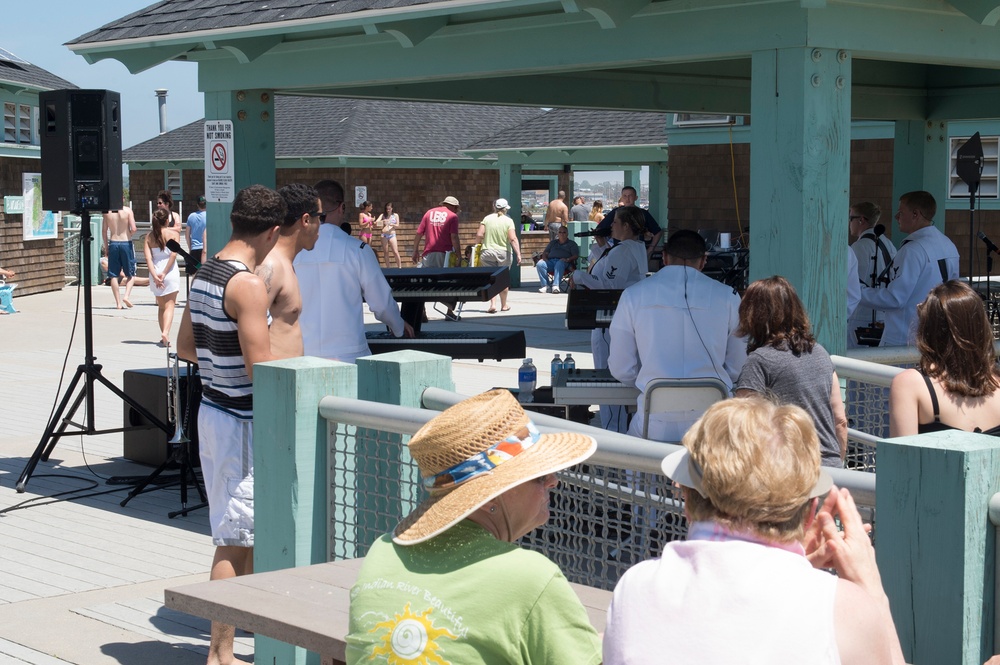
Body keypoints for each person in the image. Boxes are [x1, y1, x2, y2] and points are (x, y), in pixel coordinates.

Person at [604, 397, 906, 665]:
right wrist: (872, 590)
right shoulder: (846, 612)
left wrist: (796, 567)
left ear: (687, 499)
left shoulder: (634, 589)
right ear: (811, 510)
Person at [346, 389, 602, 665]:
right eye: (538, 475)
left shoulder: (382, 554)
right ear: (489, 496)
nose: (553, 481)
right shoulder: (531, 578)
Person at [176, 184, 286, 665]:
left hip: (214, 412)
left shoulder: (206, 272)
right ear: (272, 231)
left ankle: (247, 643)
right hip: (242, 423)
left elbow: (183, 347)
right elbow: (260, 369)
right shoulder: (247, 284)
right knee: (234, 542)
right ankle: (220, 654)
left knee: (244, 535)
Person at [609, 229, 745, 441]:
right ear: (703, 261)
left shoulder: (633, 295)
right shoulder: (728, 296)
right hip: (712, 419)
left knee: (634, 464)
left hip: (654, 421)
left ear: (664, 257)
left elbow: (621, 368)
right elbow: (737, 366)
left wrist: (652, 381)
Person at [734, 276, 848, 467]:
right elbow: (840, 421)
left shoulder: (758, 361)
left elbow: (745, 428)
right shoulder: (820, 352)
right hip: (829, 468)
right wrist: (838, 462)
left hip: (787, 472)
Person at [294, 179, 413, 363]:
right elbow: (381, 304)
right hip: (349, 355)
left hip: (302, 353)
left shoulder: (295, 252)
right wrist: (398, 327)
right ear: (341, 207)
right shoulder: (358, 250)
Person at [571, 206, 648, 432]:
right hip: (625, 317)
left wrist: (578, 275)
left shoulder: (623, 251)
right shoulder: (631, 248)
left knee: (609, 378)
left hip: (610, 320)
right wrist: (601, 247)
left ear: (626, 226)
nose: (610, 225)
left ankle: (613, 432)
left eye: (615, 222)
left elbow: (609, 286)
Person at [889, 280, 1000, 437]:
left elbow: (902, 458)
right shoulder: (997, 382)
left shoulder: (909, 384)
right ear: (981, 328)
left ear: (927, 329)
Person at [858, 191, 959, 346]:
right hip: (936, 335)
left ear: (915, 214)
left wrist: (856, 292)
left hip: (904, 338)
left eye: (900, 212)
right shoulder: (948, 245)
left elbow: (895, 299)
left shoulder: (913, 250)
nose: (896, 217)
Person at [256, 183, 322, 359]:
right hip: (273, 382)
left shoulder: (283, 263)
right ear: (306, 220)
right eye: (320, 217)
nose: (321, 224)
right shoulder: (271, 266)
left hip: (287, 379)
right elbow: (244, 332)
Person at [849, 201, 897, 346]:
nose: (849, 223)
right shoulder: (889, 244)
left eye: (851, 218)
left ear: (861, 220)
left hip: (861, 317)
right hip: (883, 315)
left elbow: (853, 285)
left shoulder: (859, 247)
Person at [412, 195, 462, 321]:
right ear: (454, 207)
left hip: (428, 253)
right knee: (451, 282)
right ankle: (449, 312)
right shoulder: (452, 216)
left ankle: (422, 312)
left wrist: (415, 250)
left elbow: (419, 233)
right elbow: (454, 237)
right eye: (456, 208)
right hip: (445, 254)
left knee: (424, 283)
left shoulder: (429, 213)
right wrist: (459, 255)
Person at [475, 198, 521, 313]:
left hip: (487, 251)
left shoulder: (487, 219)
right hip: (504, 252)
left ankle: (493, 304)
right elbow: (512, 238)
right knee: (502, 280)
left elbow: (479, 234)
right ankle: (504, 305)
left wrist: (477, 246)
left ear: (494, 207)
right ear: (505, 209)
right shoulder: (508, 221)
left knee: (490, 279)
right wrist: (518, 254)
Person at [143, 208, 181, 347]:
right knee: (170, 305)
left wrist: (155, 275)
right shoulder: (173, 233)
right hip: (169, 271)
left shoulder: (149, 236)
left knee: (161, 306)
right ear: (167, 220)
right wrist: (164, 273)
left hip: (155, 270)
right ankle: (166, 332)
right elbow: (173, 255)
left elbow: (148, 258)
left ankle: (164, 335)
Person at [595, 186, 663, 259]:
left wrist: (650, 250)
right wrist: (609, 250)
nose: (627, 199)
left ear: (635, 197)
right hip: (619, 251)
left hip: (638, 251)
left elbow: (658, 232)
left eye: (630, 196)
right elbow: (599, 231)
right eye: (625, 196)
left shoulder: (642, 213)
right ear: (622, 198)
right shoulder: (616, 212)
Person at [102, 201, 137, 309]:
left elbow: (104, 231)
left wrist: (106, 247)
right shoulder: (127, 210)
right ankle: (126, 296)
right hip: (126, 242)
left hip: (113, 242)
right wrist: (129, 234)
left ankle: (118, 303)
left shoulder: (107, 212)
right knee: (131, 274)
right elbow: (134, 228)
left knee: (113, 275)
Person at [535, 225, 579, 294]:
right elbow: (545, 252)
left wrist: (567, 259)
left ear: (567, 234)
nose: (562, 234)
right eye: (560, 232)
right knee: (540, 264)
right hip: (551, 262)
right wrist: (544, 259)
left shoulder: (572, 244)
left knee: (560, 262)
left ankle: (555, 286)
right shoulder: (553, 243)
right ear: (558, 234)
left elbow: (575, 255)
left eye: (564, 232)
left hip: (564, 262)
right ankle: (545, 285)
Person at [185, 194, 208, 273]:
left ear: (197, 205)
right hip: (206, 250)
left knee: (195, 275)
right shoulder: (210, 216)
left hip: (194, 250)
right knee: (205, 276)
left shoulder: (191, 216)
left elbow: (187, 235)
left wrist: (190, 247)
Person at [376, 201, 402, 268]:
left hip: (392, 234)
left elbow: (398, 225)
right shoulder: (383, 215)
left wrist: (392, 224)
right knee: (386, 252)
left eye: (389, 209)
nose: (388, 210)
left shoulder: (395, 215)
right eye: (387, 209)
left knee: (395, 251)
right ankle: (388, 267)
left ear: (392, 208)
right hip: (384, 234)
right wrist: (383, 221)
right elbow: (376, 223)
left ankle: (400, 267)